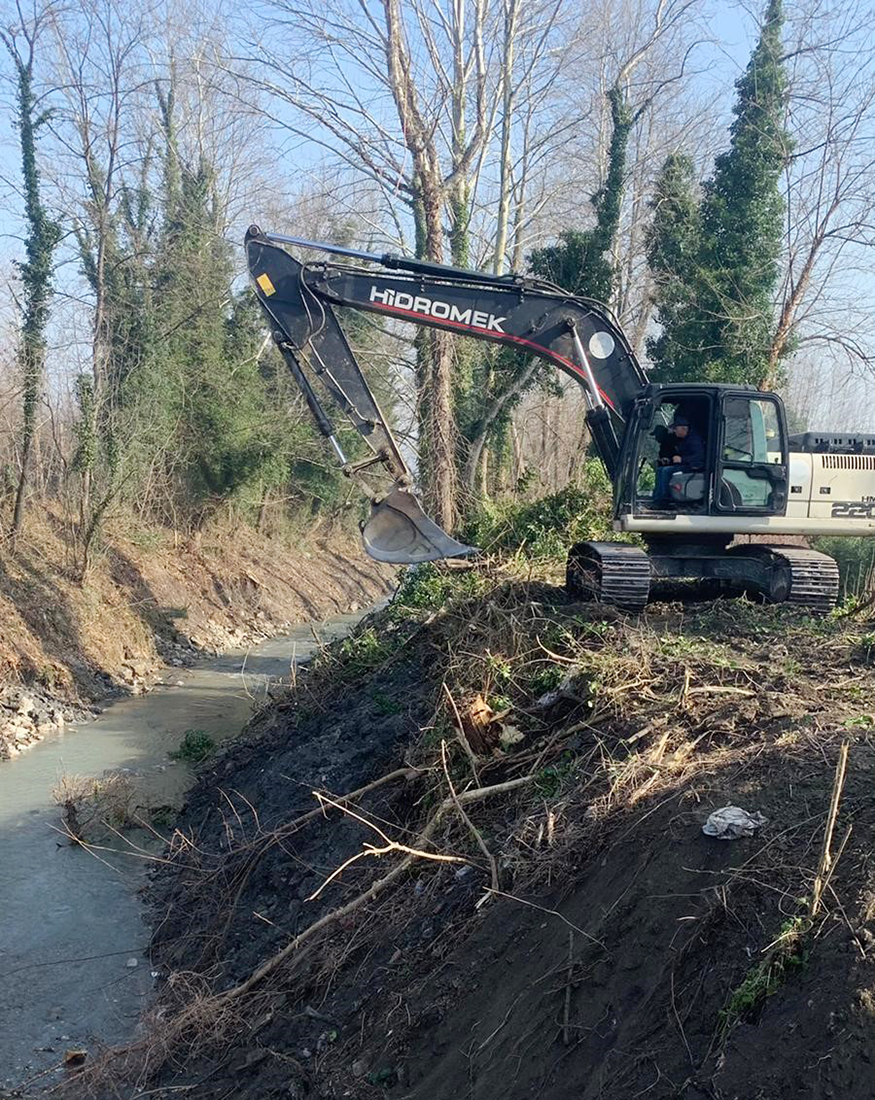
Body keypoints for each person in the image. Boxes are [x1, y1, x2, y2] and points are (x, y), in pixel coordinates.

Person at [653, 416, 705, 506]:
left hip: (694, 467)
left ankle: (665, 499)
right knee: (660, 469)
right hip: (686, 465)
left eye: (675, 428)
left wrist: (682, 459)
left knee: (666, 471)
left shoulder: (695, 440)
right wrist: (670, 460)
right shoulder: (683, 439)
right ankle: (657, 498)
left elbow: (700, 457)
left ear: (684, 428)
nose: (674, 431)